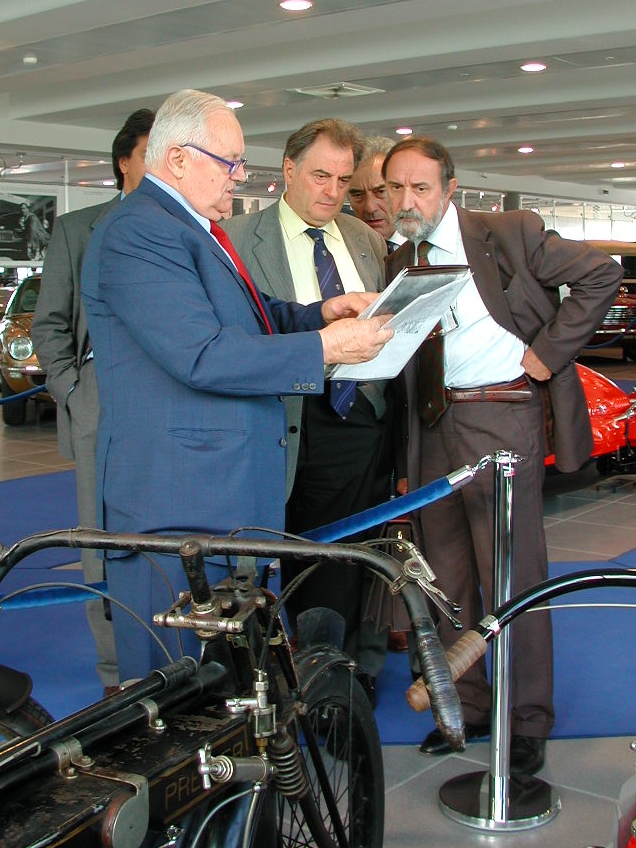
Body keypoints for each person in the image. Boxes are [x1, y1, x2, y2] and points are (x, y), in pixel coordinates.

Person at [79, 90, 393, 683]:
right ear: (177, 160)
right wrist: (326, 348)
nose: (240, 175)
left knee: (225, 687)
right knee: (176, 688)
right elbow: (202, 354)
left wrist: (321, 312)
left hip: (214, 498)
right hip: (176, 505)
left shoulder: (191, 227)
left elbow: (248, 315)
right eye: (229, 162)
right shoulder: (138, 231)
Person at [383, 135, 622, 774]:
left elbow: (602, 273)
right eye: (395, 188)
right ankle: (465, 707)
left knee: (511, 574)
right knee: (445, 577)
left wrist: (548, 353)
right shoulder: (399, 257)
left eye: (420, 188)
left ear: (449, 188)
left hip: (503, 416)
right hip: (432, 425)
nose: (407, 200)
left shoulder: (508, 233)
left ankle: (525, 718)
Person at [221, 118, 392, 706]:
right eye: (321, 176)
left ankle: (339, 680)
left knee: (349, 555)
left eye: (343, 180)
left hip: (358, 417)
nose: (333, 191)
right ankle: (267, 678)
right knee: (265, 554)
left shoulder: (364, 239)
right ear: (288, 170)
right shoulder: (236, 239)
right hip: (276, 416)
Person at [32, 108, 155, 694]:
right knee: (101, 547)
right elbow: (49, 324)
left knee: (168, 540)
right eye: (151, 154)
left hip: (173, 405)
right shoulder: (78, 230)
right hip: (100, 402)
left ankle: (176, 661)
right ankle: (117, 673)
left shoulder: (194, 230)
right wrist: (75, 393)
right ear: (123, 162)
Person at [347, 135, 410, 657]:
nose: (370, 205)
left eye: (381, 191)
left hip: (418, 416)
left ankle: (406, 619)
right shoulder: (348, 251)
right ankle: (364, 635)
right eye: (357, 193)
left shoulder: (422, 253)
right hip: (359, 418)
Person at [347, 135, 406, 254]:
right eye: (357, 195)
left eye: (380, 192)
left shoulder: (427, 243)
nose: (370, 208)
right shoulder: (340, 251)